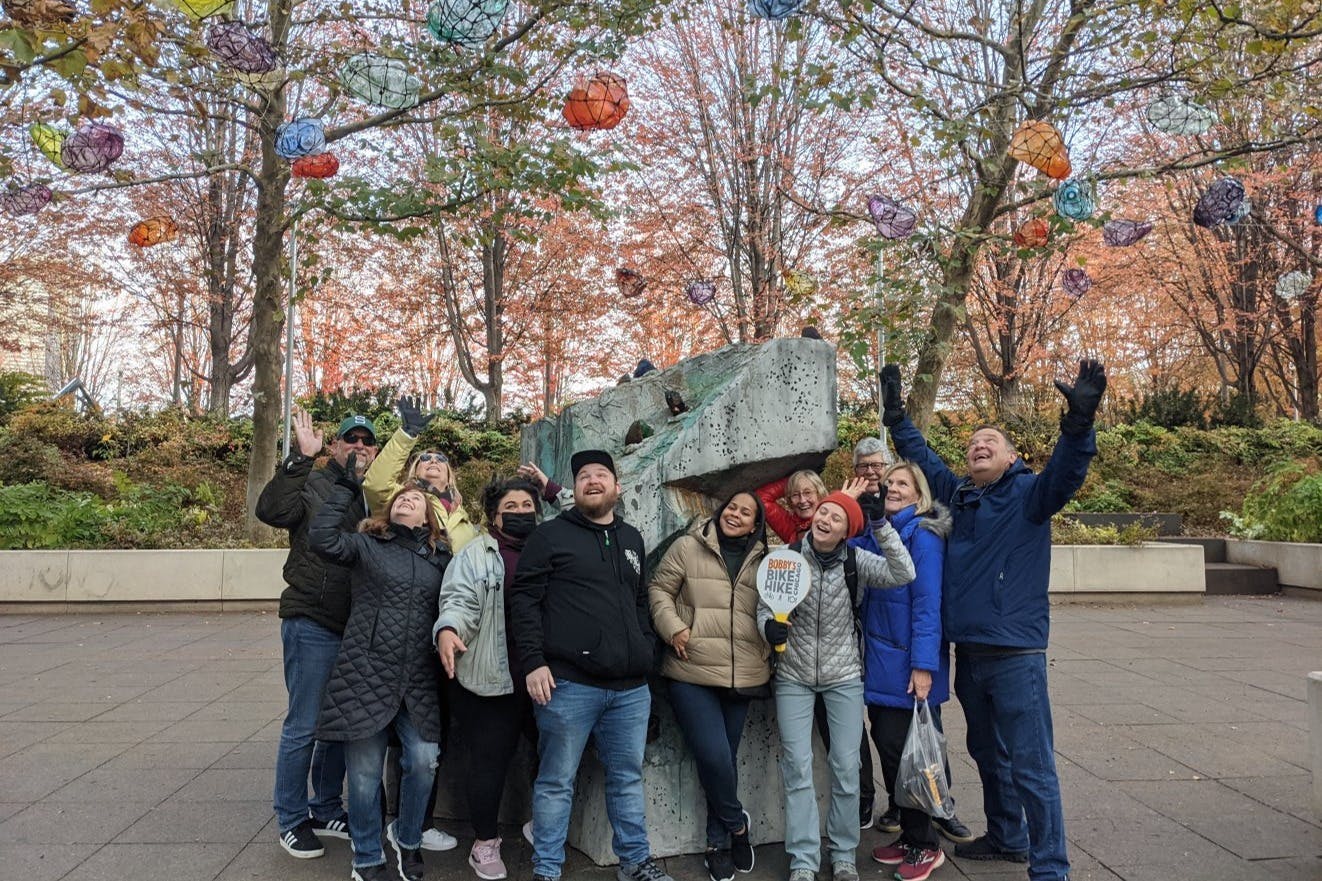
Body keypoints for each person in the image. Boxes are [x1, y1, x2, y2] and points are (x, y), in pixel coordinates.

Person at [881, 360, 1106, 881]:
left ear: (1012, 457)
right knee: (987, 752)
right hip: (971, 654)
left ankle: (1050, 868)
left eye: (991, 442)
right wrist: (897, 420)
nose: (979, 446)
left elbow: (1068, 472)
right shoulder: (960, 498)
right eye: (974, 443)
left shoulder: (1030, 496)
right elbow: (924, 459)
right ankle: (1008, 836)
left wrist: (1078, 425)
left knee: (1032, 765)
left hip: (1016, 655)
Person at [508, 450, 674, 881]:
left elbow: (640, 602)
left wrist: (644, 649)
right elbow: (524, 601)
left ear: (617, 488)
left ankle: (635, 864)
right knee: (556, 782)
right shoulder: (550, 536)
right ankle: (546, 870)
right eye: (583, 475)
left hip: (631, 689)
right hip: (567, 686)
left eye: (602, 474)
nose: (592, 480)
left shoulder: (633, 538)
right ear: (575, 489)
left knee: (626, 779)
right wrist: (533, 662)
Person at [758, 491, 916, 881]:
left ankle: (844, 852)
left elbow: (903, 573)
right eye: (823, 511)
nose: (825, 518)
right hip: (793, 676)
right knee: (797, 767)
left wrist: (880, 527)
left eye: (836, 516)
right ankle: (803, 859)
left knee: (847, 767)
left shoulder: (855, 561)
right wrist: (767, 626)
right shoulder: (788, 557)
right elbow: (765, 605)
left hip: (843, 676)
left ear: (848, 530)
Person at [308, 466, 454, 881]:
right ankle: (367, 857)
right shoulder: (366, 545)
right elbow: (321, 539)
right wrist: (346, 487)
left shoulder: (441, 558)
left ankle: (407, 840)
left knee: (424, 761)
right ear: (388, 511)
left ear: (429, 517)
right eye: (400, 499)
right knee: (366, 774)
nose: (407, 500)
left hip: (419, 679)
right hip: (365, 674)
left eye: (417, 500)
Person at [256, 408, 377, 859]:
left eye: (367, 441)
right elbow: (271, 510)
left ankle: (325, 805)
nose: (359, 446)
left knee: (337, 726)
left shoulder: (370, 494)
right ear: (336, 446)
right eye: (352, 440)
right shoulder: (314, 481)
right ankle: (291, 817)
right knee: (304, 725)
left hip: (354, 625)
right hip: (312, 618)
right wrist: (298, 460)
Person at [649, 491, 769, 881]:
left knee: (725, 762)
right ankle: (737, 826)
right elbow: (658, 591)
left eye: (745, 512)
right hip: (691, 670)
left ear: (755, 524)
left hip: (745, 675)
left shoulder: (768, 559)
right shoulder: (688, 546)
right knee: (714, 757)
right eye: (732, 507)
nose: (736, 514)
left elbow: (780, 608)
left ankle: (717, 841)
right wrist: (673, 628)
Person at [858, 462, 968, 881]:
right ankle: (910, 833)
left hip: (906, 663)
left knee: (912, 756)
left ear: (920, 494)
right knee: (891, 749)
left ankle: (926, 844)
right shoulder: (877, 529)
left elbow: (927, 603)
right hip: (883, 661)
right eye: (889, 483)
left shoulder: (922, 534)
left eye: (903, 483)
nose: (893, 488)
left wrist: (925, 666)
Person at [433, 477, 545, 880]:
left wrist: (550, 488)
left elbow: (591, 506)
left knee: (555, 754)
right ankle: (483, 841)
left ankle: (542, 821)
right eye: (510, 507)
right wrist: (449, 629)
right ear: (495, 516)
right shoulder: (475, 553)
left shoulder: (553, 546)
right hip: (489, 674)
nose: (519, 512)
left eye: (527, 505)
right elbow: (459, 600)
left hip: (545, 674)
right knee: (488, 762)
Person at [365, 395, 480, 554]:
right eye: (425, 458)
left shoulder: (463, 516)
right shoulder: (400, 497)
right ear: (415, 471)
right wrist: (407, 435)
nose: (433, 461)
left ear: (449, 476)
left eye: (440, 459)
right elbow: (376, 484)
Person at [756, 469, 827, 544]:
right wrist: (793, 482)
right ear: (790, 500)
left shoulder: (834, 518)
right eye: (795, 494)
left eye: (808, 493)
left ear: (819, 493)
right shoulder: (790, 527)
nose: (802, 500)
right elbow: (762, 498)